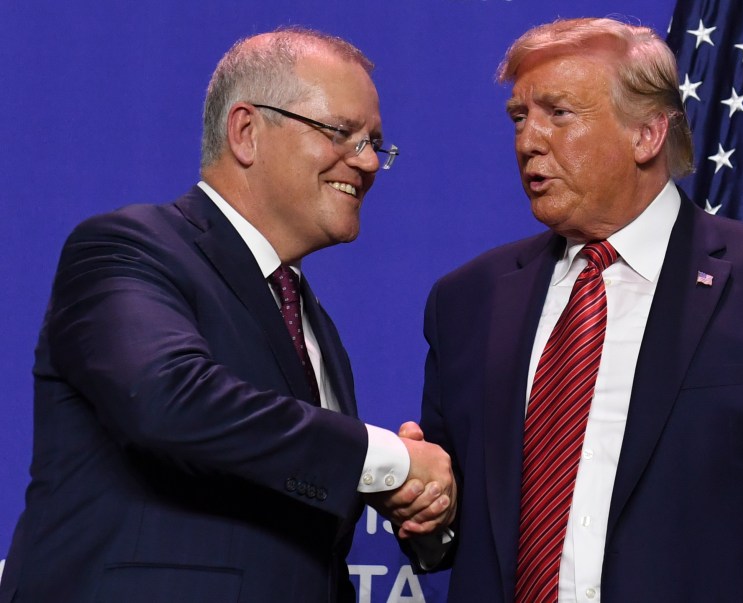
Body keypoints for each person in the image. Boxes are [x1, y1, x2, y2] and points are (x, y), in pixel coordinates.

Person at [395, 17, 743, 602]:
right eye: (519, 117)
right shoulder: (468, 300)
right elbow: (447, 535)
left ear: (648, 134)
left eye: (559, 113)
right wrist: (430, 511)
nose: (528, 140)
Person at [0, 27, 454, 603]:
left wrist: (411, 501)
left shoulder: (314, 324)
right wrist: (387, 459)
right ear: (246, 131)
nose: (366, 163)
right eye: (342, 133)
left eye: (374, 143)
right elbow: (168, 400)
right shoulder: (128, 247)